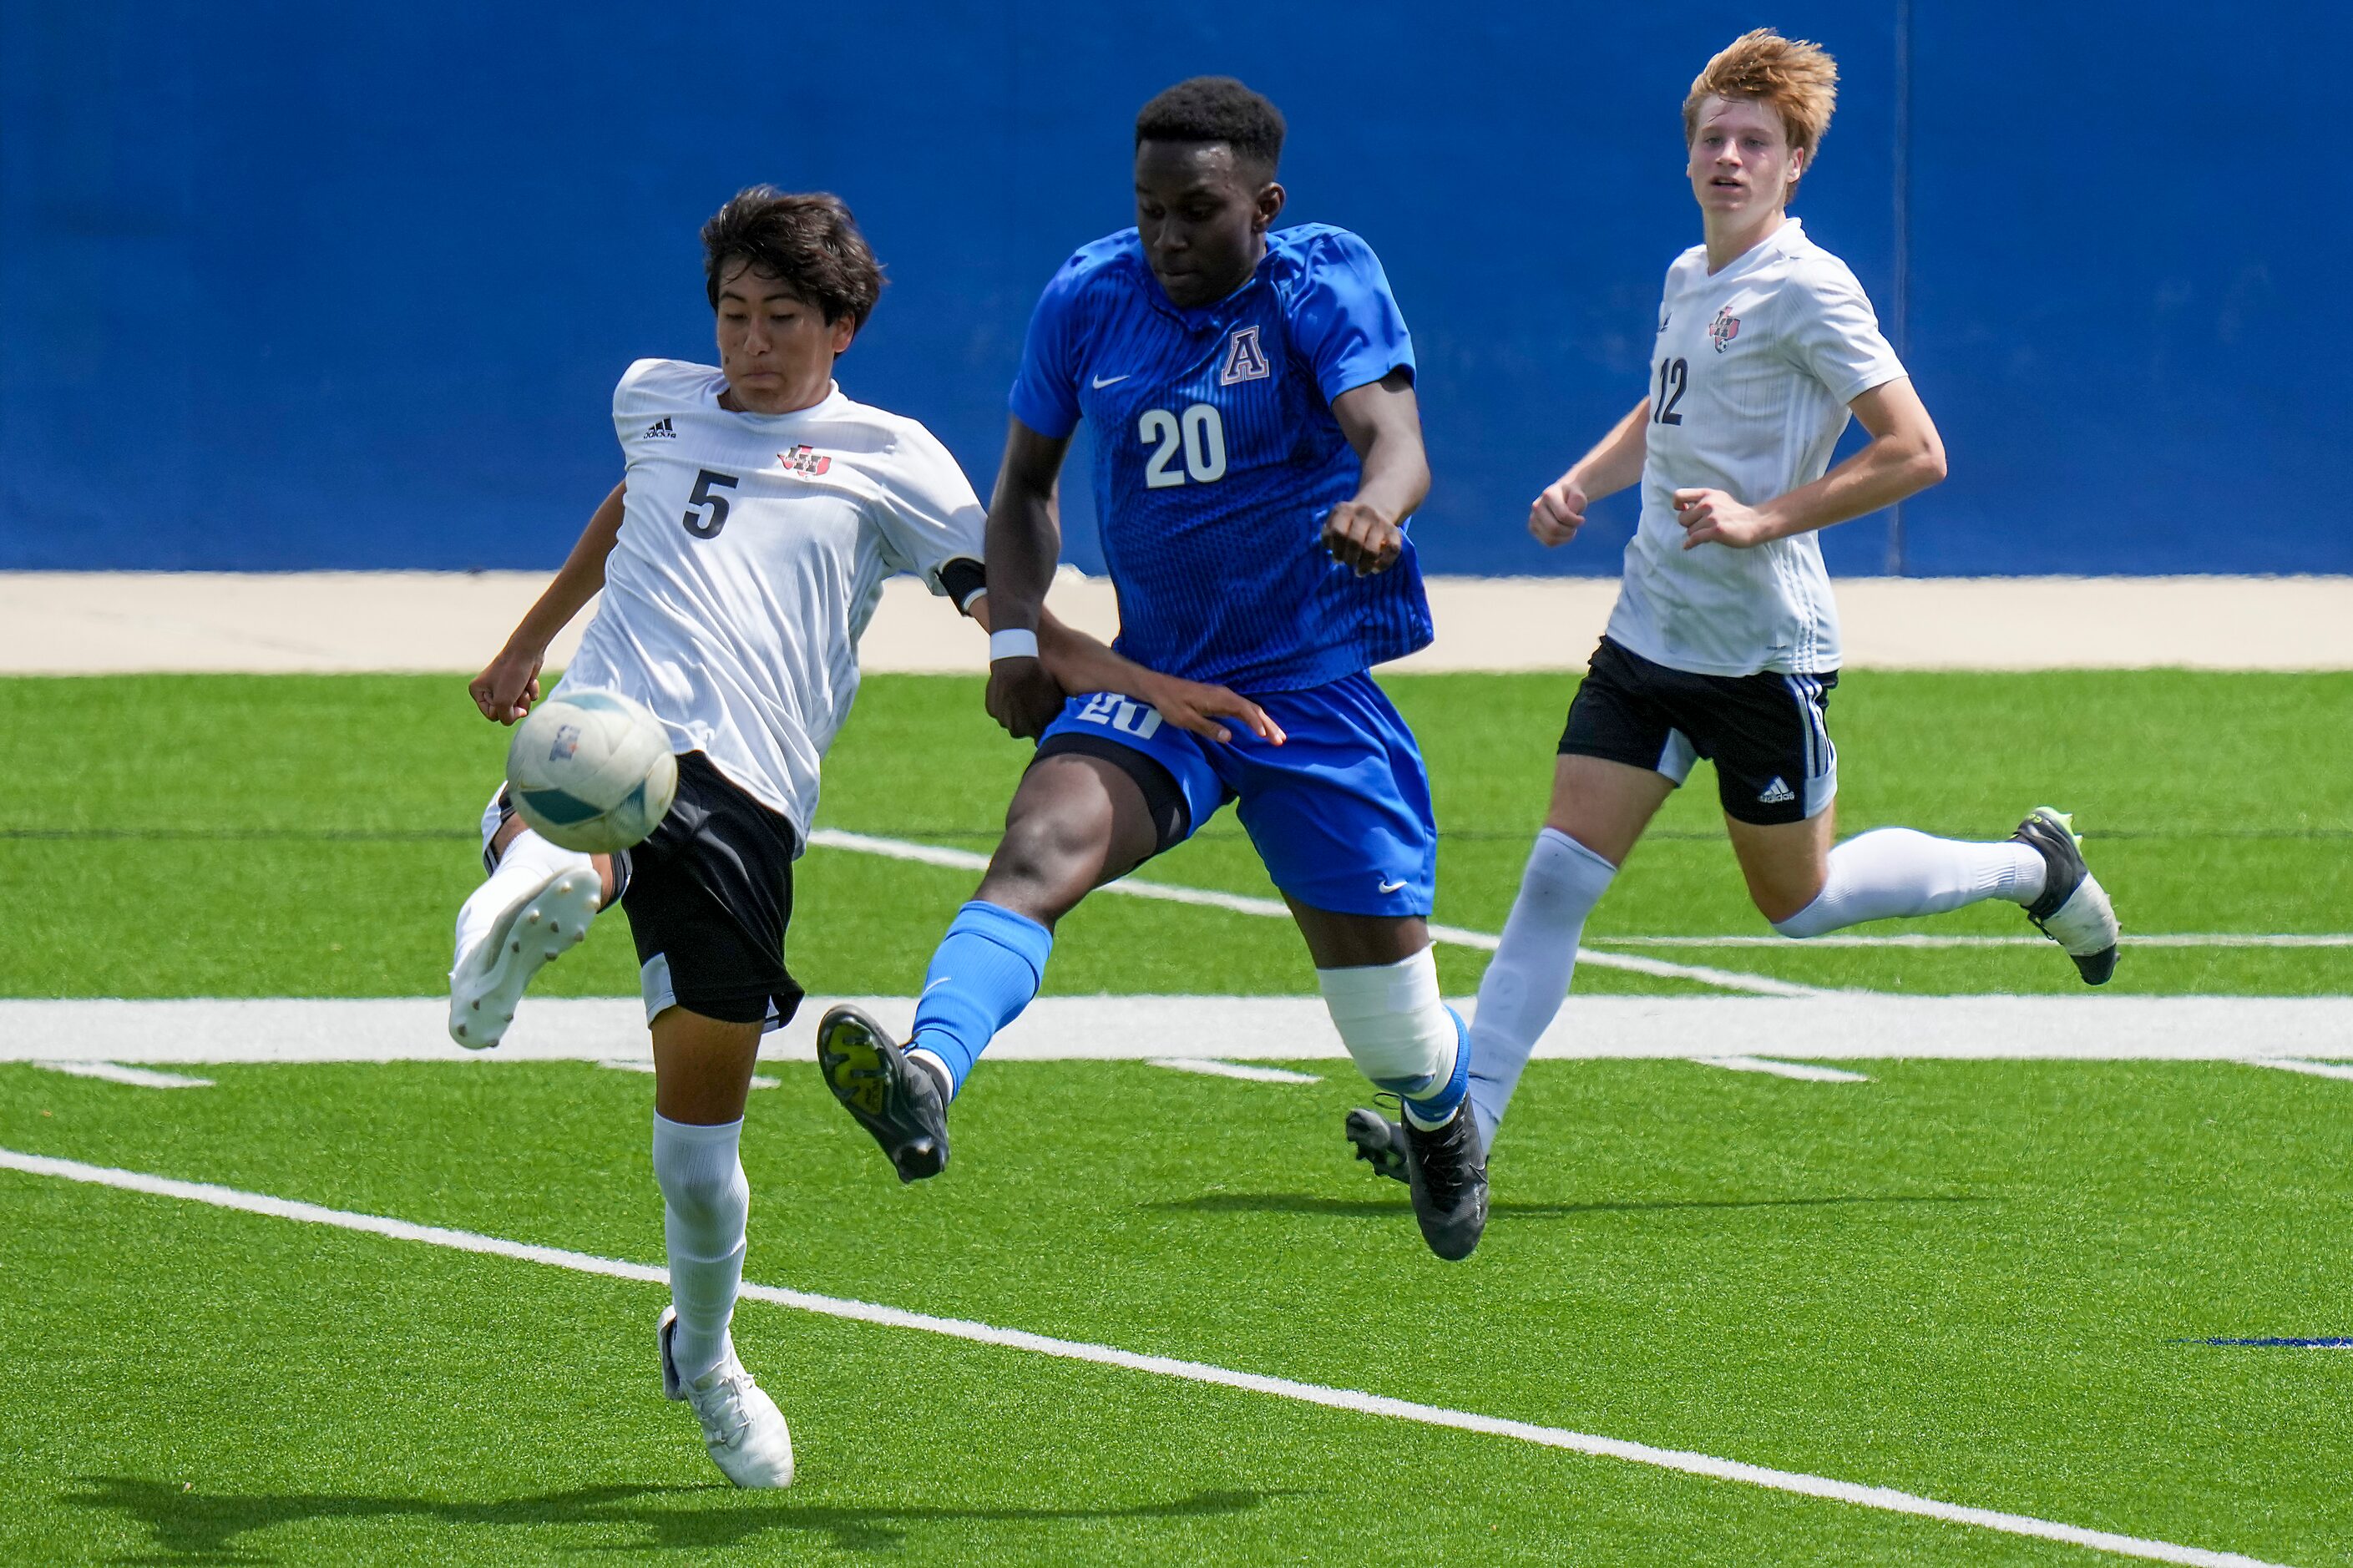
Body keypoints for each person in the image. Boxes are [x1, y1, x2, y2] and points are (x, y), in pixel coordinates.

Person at [446, 187, 1257, 1486]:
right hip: (622, 721)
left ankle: (703, 1352)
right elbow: (631, 504)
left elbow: (1001, 601)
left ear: (844, 324)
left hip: (756, 794)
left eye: (780, 318)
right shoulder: (655, 395)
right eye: (732, 313)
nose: (750, 342)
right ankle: (528, 891)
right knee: (584, 789)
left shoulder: (892, 456)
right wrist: (529, 638)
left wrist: (1145, 684)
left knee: (698, 1157)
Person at [1348, 29, 2120, 1181]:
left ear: (1794, 161)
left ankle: (2032, 868)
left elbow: (1915, 451)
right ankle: (1468, 1130)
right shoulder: (1686, 275)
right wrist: (1580, 480)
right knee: (1557, 874)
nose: (1727, 157)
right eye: (1711, 137)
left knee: (1798, 905)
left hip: (1761, 654)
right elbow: (1664, 412)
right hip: (1648, 631)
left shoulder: (1809, 286)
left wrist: (1765, 518)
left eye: (1753, 141)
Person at [810, 76, 1491, 1260]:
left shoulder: (1317, 282)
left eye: (1196, 210)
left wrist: (1377, 509)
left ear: (1263, 206)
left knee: (1393, 1033)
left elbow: (1396, 443)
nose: (1166, 235)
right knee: (1037, 850)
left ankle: (1438, 1113)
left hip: (1307, 691)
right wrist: (1019, 634)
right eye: (1148, 210)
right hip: (1159, 679)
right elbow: (1022, 488)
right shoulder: (1089, 295)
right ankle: (928, 1068)